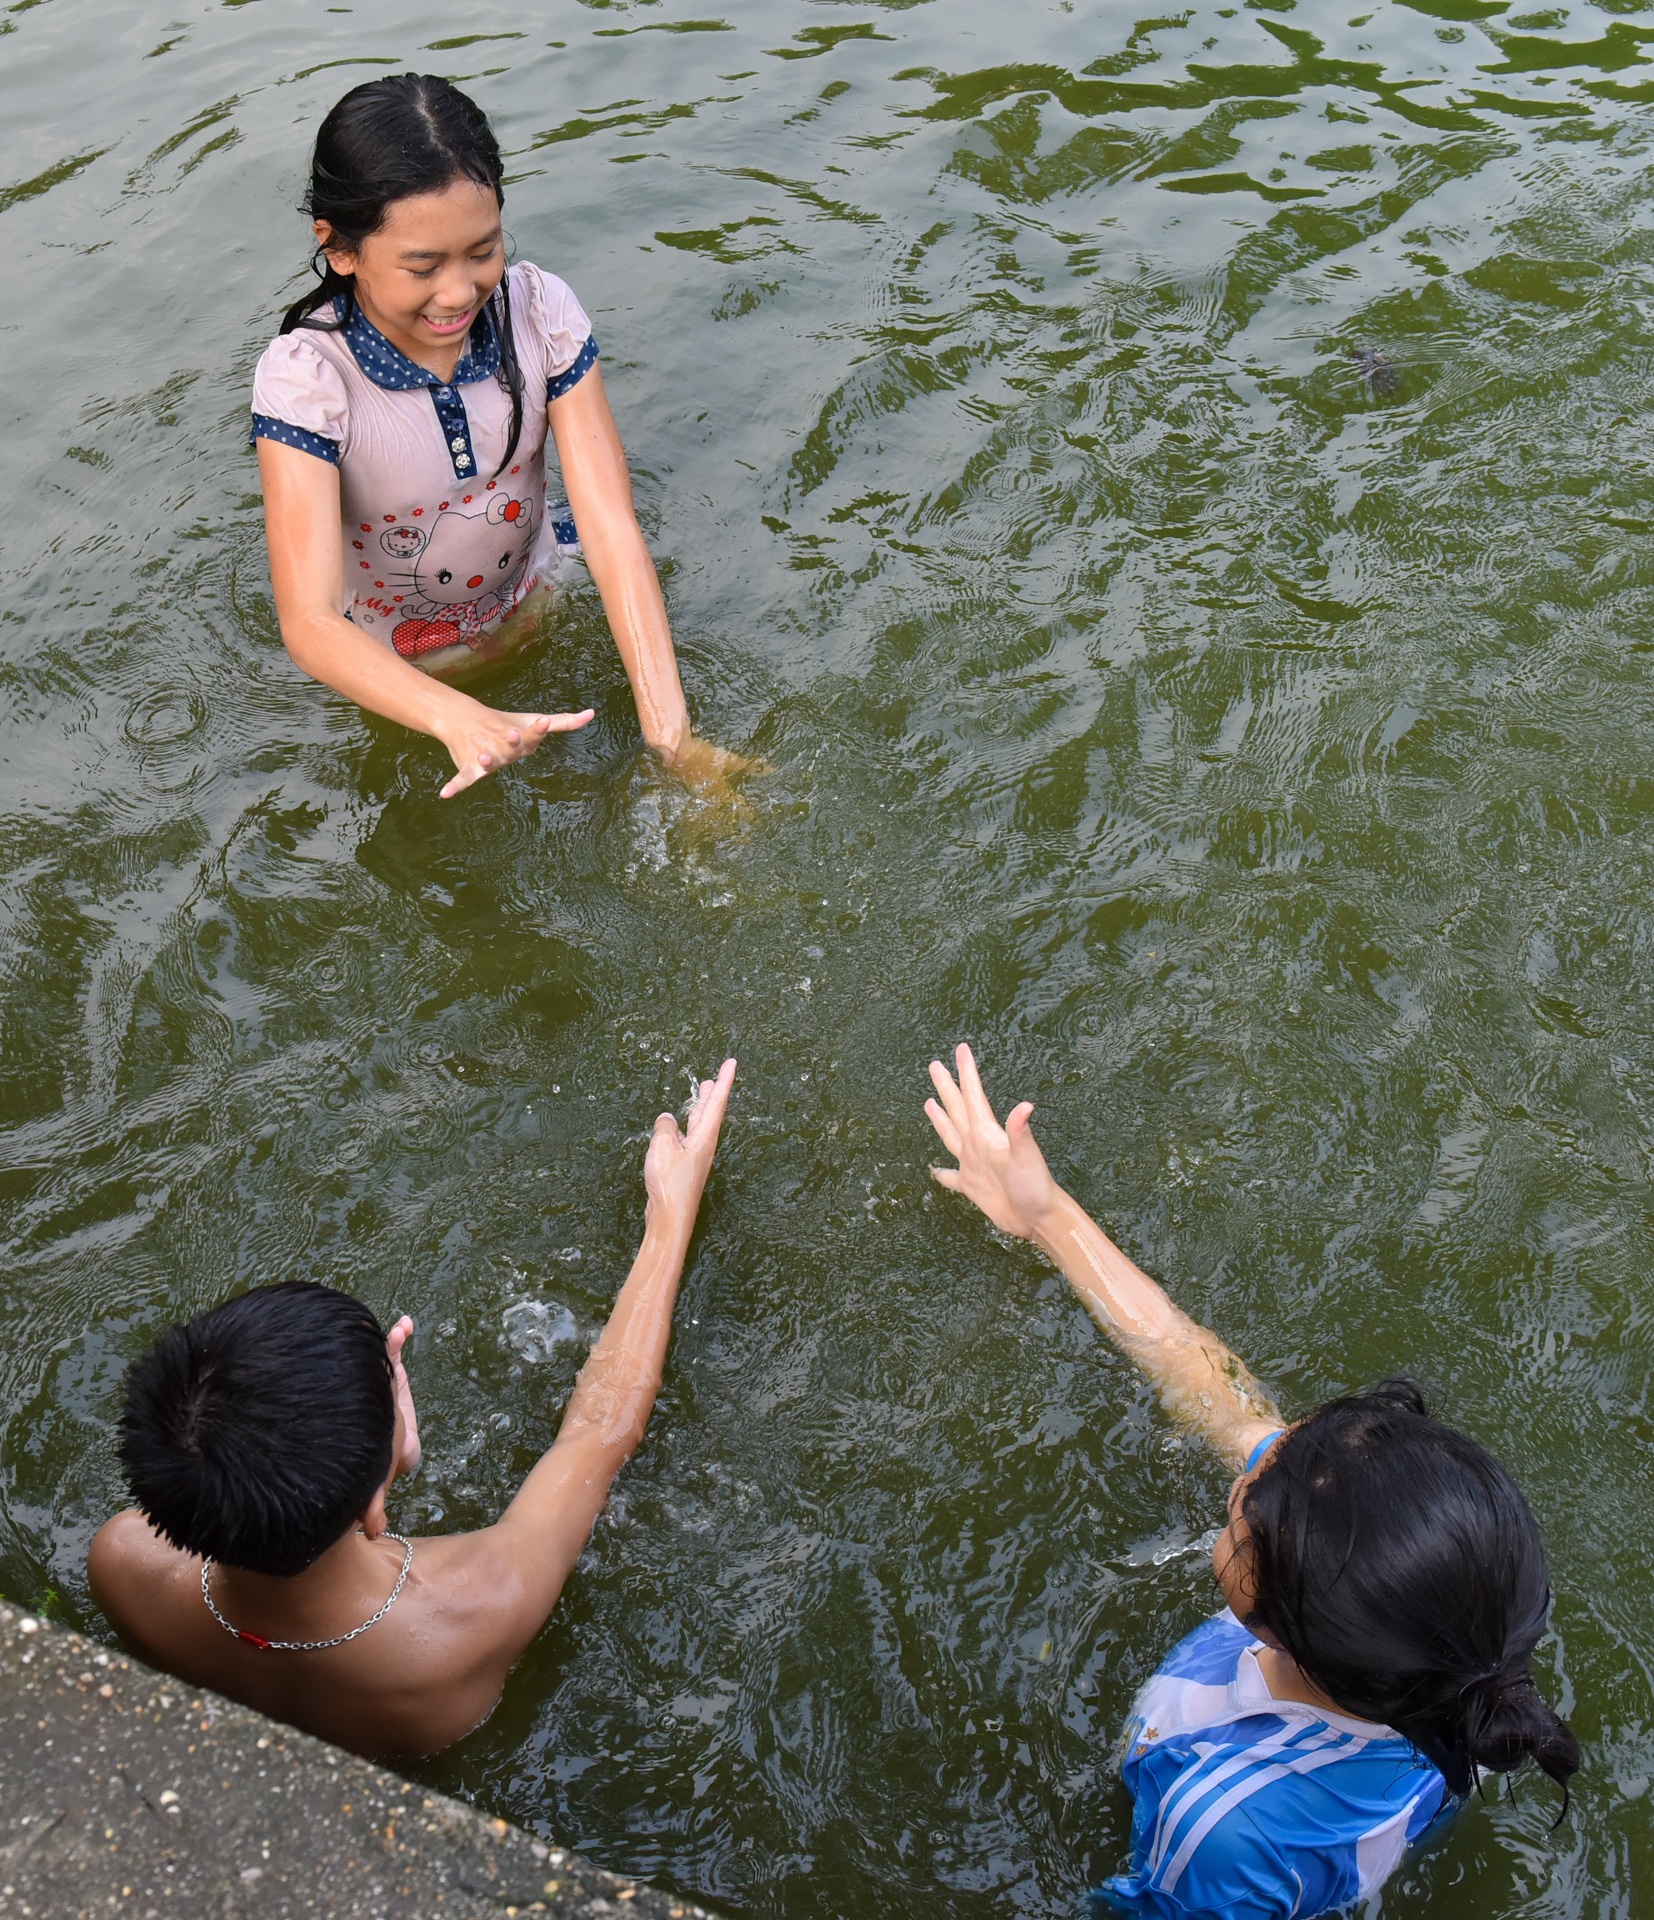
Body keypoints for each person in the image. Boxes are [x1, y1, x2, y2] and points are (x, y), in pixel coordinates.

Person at [922, 1044, 1580, 1920]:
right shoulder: (1448, 1623)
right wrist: (1047, 1216)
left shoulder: (1221, 1836)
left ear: (1268, 1609)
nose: (1245, 1475)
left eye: (1244, 1517)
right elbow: (1208, 1386)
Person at [87, 1061, 735, 1759]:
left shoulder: (125, 1562)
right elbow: (602, 1431)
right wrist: (673, 1213)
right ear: (372, 1507)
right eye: (391, 1377)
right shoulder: (472, 1612)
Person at [252, 73, 746, 799]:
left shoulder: (540, 313)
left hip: (543, 600)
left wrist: (673, 738)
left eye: (482, 251)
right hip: (410, 680)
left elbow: (610, 528)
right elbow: (311, 619)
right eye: (423, 266)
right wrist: (455, 718)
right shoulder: (308, 380)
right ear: (339, 248)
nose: (458, 291)